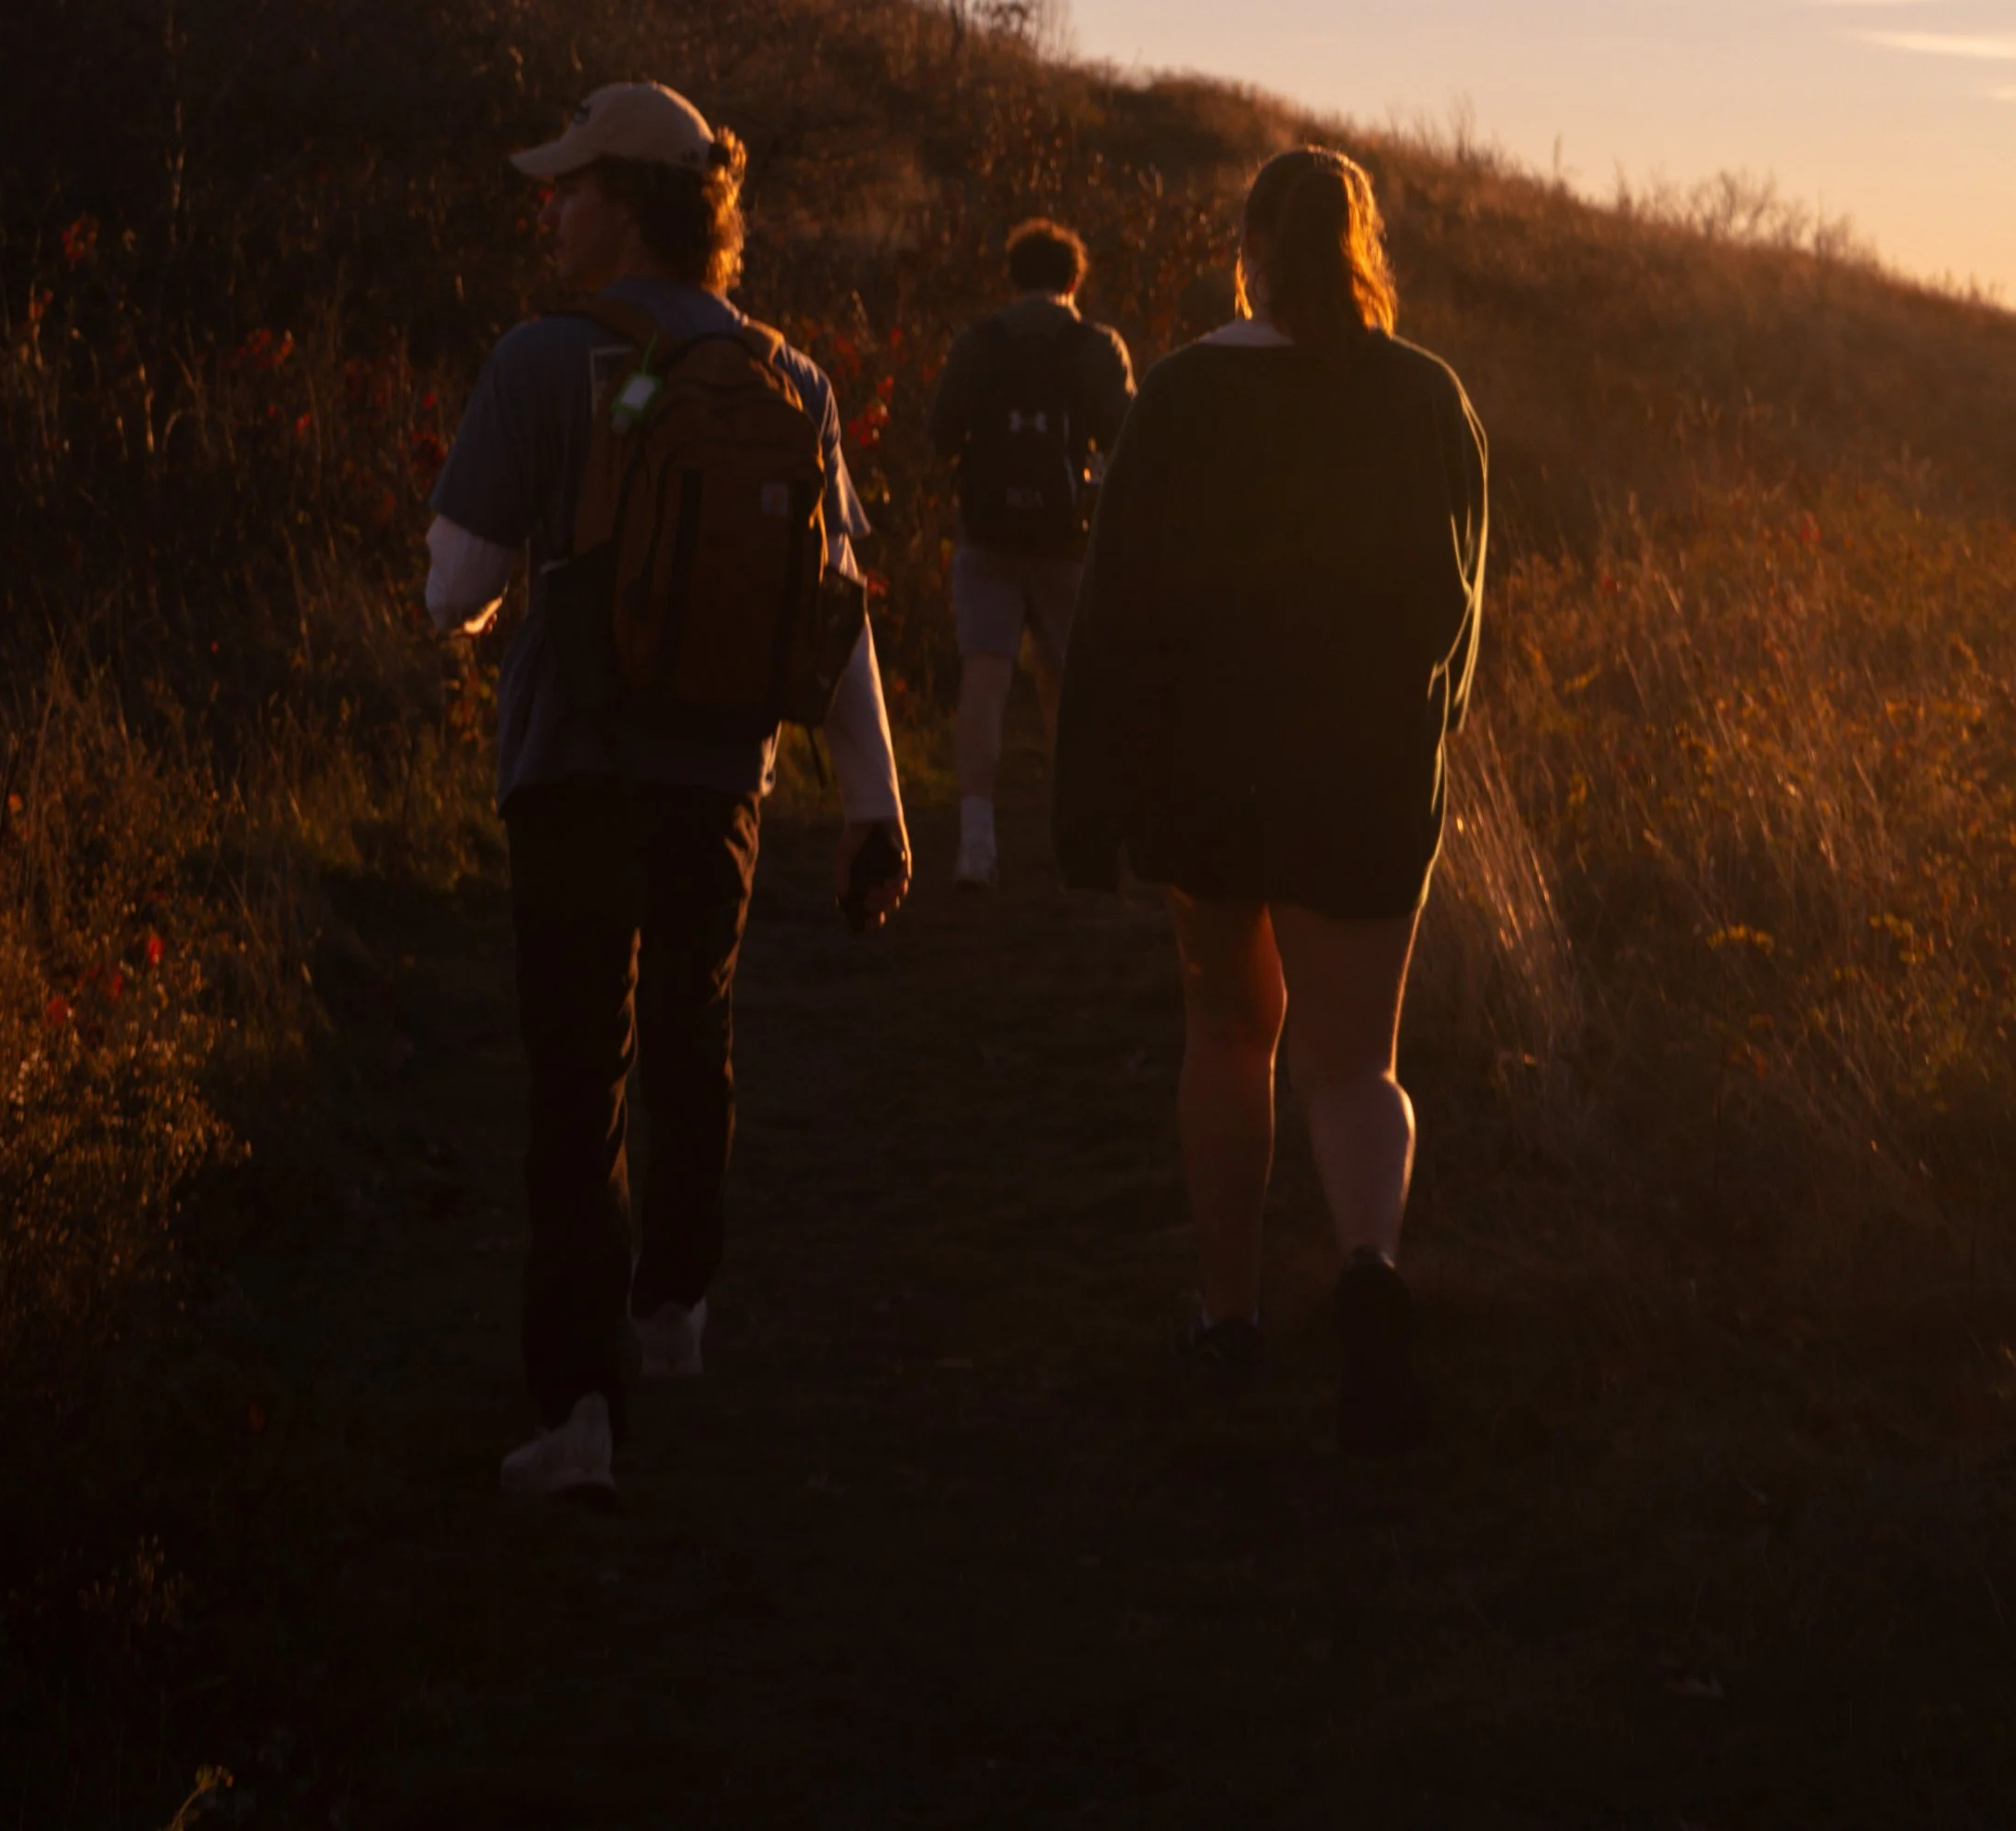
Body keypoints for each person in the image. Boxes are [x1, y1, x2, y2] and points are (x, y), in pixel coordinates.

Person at [425, 80, 911, 1502]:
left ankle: (578, 1409)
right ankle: (675, 1312)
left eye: (570, 186)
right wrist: (875, 802)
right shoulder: (791, 378)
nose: (550, 206)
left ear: (629, 202)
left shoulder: (536, 360)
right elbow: (835, 614)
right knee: (696, 1036)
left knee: (581, 1078)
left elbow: (455, 588)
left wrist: (470, 577)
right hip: (724, 780)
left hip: (574, 771)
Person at [1053, 146, 1486, 1455]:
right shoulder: (1427, 395)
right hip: (1363, 786)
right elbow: (1456, 610)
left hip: (1212, 788)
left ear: (1248, 243)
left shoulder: (1183, 393)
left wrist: (1091, 791)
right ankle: (1367, 1269)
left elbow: (1114, 611)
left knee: (1229, 1039)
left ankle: (1230, 1311)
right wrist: (1425, 730)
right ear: (1365, 245)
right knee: (1358, 1065)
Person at [928, 219, 1135, 887]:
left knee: (983, 682)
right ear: (1075, 280)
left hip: (986, 538)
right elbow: (1125, 437)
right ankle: (1076, 839)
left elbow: (939, 432)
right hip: (1068, 541)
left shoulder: (978, 343)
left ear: (1012, 277)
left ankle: (976, 847)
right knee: (1069, 690)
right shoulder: (1095, 345)